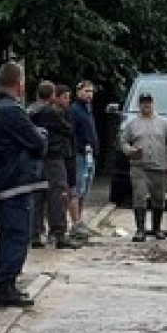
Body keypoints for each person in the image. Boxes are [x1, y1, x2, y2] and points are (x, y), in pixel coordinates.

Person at [0, 62, 48, 309]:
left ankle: (4, 283)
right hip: (15, 181)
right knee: (17, 234)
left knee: (10, 234)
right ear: (19, 83)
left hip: (3, 178)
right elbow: (37, 143)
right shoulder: (12, 110)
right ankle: (5, 285)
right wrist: (41, 134)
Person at [119, 92, 167, 242]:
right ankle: (140, 229)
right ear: (139, 105)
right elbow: (123, 142)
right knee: (139, 196)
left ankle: (157, 228)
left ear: (153, 104)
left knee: (158, 198)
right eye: (143, 102)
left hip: (159, 167)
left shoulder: (164, 124)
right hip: (139, 167)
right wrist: (130, 151)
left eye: (149, 102)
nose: (146, 105)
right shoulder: (132, 124)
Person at [30, 82, 80, 250]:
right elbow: (68, 129)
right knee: (57, 196)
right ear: (52, 95)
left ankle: (35, 233)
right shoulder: (53, 113)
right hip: (54, 158)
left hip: (35, 159)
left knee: (37, 196)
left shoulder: (29, 111)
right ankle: (58, 233)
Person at [69, 81, 99, 240]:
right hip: (79, 155)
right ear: (78, 91)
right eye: (86, 91)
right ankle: (75, 222)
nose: (89, 94)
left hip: (89, 155)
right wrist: (81, 147)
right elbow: (72, 134)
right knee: (77, 189)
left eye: (91, 92)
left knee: (84, 190)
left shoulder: (88, 110)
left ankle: (79, 221)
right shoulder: (75, 110)